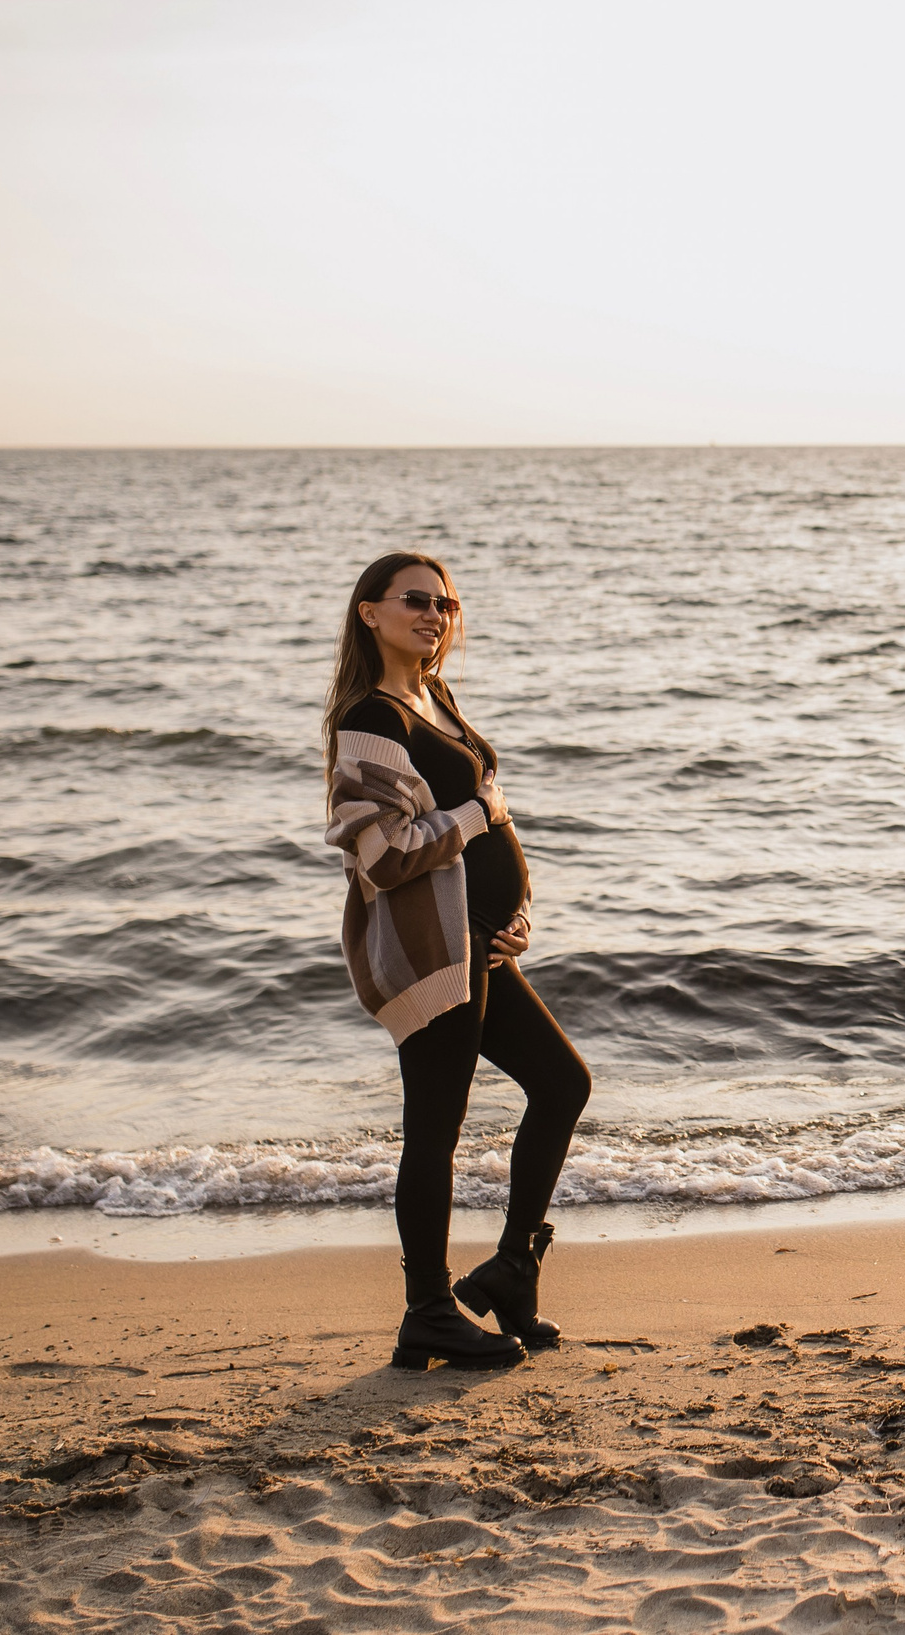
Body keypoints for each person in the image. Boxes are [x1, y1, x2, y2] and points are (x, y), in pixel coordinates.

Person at [323, 551, 593, 1371]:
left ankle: (514, 1267)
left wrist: (519, 912)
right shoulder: (370, 718)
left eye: (445, 602)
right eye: (415, 599)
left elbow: (490, 828)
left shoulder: (432, 697)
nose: (434, 614)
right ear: (370, 611)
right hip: (436, 955)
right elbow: (382, 855)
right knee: (434, 1131)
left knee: (562, 1082)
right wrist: (478, 815)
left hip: (481, 945)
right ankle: (427, 1311)